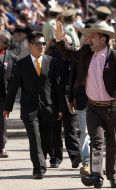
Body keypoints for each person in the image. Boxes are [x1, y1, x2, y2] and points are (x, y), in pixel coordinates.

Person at [53, 20, 116, 188]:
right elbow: (68, 53)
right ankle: (96, 175)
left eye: (92, 36)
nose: (88, 40)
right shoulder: (86, 53)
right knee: (96, 142)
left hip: (114, 107)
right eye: (87, 36)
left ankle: (114, 175)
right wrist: (60, 40)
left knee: (114, 145)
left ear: (103, 38)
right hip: (93, 107)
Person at [3, 31, 64, 179]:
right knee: (34, 138)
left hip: (49, 108)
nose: (42, 46)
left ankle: (41, 160)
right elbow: (13, 87)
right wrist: (7, 107)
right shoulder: (21, 64)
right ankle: (38, 168)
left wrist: (61, 108)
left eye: (43, 43)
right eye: (38, 43)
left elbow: (58, 87)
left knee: (45, 139)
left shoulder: (52, 62)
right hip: (29, 109)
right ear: (30, 45)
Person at [45, 36, 81, 169]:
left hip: (71, 97)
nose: (67, 46)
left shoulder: (75, 58)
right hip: (54, 98)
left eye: (69, 43)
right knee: (54, 128)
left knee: (71, 128)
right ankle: (55, 157)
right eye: (65, 43)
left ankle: (75, 155)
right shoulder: (51, 58)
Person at [0, 30, 17, 158]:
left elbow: (15, 78)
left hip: (4, 94)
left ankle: (2, 147)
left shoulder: (11, 57)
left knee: (3, 122)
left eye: (2, 40)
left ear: (6, 43)